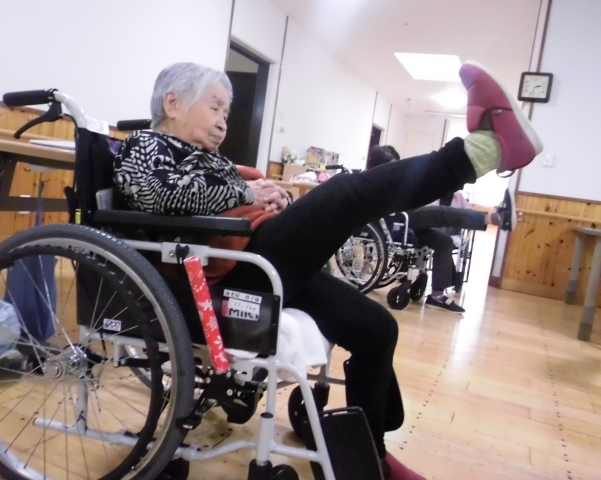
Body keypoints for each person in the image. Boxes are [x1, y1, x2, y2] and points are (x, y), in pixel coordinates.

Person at [114, 61, 543, 480]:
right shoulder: (145, 145)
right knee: (346, 191)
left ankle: (369, 456)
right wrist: (246, 192)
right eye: (215, 107)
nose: (224, 120)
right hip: (222, 275)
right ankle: (482, 151)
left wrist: (271, 197)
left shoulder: (209, 157)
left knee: (375, 328)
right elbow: (154, 196)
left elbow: (232, 197)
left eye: (227, 110)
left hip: (260, 256)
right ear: (172, 103)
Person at [368, 145, 515, 314]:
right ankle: (493, 218)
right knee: (439, 212)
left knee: (444, 241)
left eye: (396, 165)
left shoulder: (395, 181)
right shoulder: (372, 184)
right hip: (394, 223)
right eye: (391, 165)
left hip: (406, 222)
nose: (394, 170)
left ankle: (437, 296)